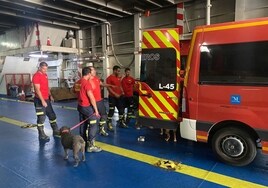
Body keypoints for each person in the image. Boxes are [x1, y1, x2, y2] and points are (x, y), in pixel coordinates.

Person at [74, 67, 101, 152]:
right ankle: (91, 146)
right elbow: (91, 97)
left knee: (83, 125)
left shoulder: (78, 82)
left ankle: (83, 144)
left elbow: (73, 91)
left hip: (80, 106)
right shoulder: (86, 83)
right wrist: (96, 111)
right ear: (89, 74)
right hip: (86, 107)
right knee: (94, 123)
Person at [32, 61, 60, 141]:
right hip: (39, 100)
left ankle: (55, 131)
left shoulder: (45, 75)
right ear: (40, 67)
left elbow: (46, 86)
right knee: (41, 118)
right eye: (44, 69)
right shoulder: (36, 76)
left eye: (46, 69)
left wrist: (50, 95)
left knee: (52, 116)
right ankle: (41, 135)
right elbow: (37, 89)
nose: (45, 70)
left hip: (46, 99)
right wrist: (42, 100)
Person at [89, 66, 113, 136]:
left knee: (104, 115)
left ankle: (101, 129)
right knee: (92, 118)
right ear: (89, 72)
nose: (95, 71)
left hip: (99, 101)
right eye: (93, 70)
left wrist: (110, 85)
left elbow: (102, 84)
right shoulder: (88, 81)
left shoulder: (96, 78)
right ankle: (89, 133)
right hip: (92, 102)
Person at [106, 65, 127, 130]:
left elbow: (119, 85)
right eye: (118, 71)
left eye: (119, 71)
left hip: (120, 97)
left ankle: (121, 122)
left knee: (121, 110)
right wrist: (115, 94)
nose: (119, 72)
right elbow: (108, 88)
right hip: (112, 97)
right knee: (111, 110)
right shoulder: (109, 78)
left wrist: (122, 91)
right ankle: (109, 123)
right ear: (114, 70)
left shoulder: (118, 78)